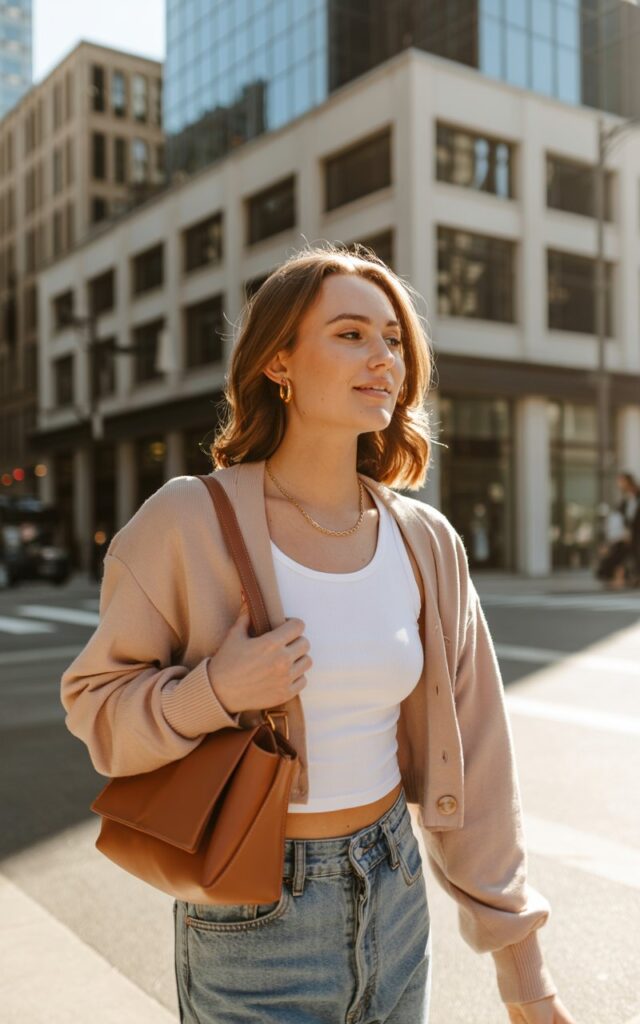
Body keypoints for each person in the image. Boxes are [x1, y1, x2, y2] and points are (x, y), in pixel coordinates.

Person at [60, 243, 577, 1023]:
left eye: (394, 339)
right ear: (279, 362)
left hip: (395, 893)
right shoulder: (186, 519)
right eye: (350, 334)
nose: (384, 359)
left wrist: (525, 975)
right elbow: (95, 711)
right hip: (253, 920)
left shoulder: (424, 541)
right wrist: (215, 691)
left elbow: (479, 767)